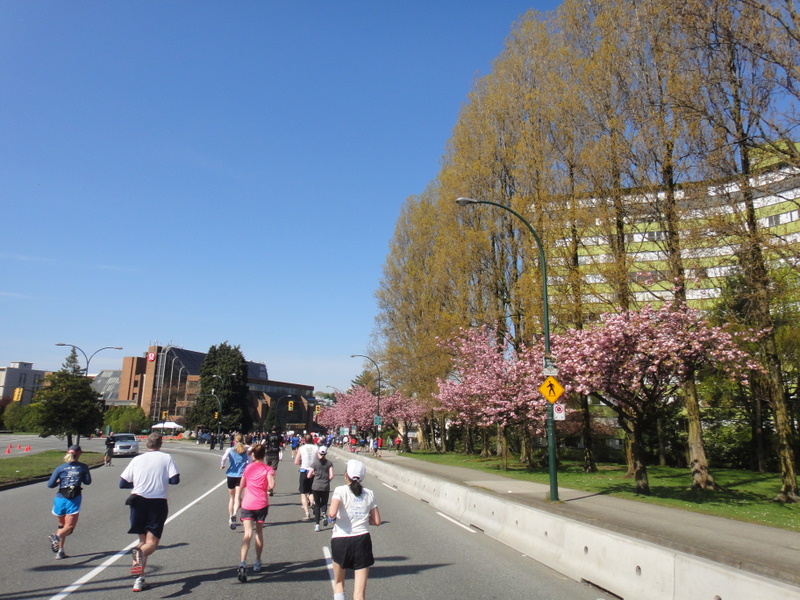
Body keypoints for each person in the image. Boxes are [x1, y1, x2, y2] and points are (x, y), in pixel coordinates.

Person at [120, 432, 180, 592]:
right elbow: (175, 479)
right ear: (161, 443)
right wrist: (160, 479)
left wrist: (139, 484)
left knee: (142, 540)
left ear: (147, 444)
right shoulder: (166, 458)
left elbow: (122, 482)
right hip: (157, 502)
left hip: (138, 501)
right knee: (151, 543)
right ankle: (138, 555)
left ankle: (139, 580)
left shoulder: (137, 459)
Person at [328, 459, 381, 600]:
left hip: (341, 539)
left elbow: (332, 513)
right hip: (362, 540)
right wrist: (361, 517)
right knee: (359, 593)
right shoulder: (369, 493)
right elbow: (377, 520)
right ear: (362, 477)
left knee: (339, 582)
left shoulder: (340, 490)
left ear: (346, 475)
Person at [236, 443, 275, 582]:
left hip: (248, 503)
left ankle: (242, 562)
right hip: (261, 504)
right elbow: (271, 486)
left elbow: (242, 485)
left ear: (254, 455)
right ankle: (257, 561)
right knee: (259, 532)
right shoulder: (268, 469)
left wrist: (238, 499)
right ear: (264, 455)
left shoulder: (248, 467)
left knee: (247, 534)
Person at [47, 445, 92, 560]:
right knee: (70, 527)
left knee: (61, 525)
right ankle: (56, 537)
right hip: (73, 498)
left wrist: (59, 481)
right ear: (79, 454)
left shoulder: (60, 468)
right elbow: (88, 482)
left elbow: (50, 485)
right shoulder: (83, 467)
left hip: (59, 498)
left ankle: (60, 551)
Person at [220, 433, 250, 529]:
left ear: (234, 440)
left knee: (231, 498)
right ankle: (234, 513)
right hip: (241, 475)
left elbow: (223, 458)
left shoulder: (230, 449)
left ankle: (230, 517)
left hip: (231, 475)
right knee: (238, 497)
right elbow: (249, 462)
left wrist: (222, 465)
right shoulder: (246, 450)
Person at [307, 445, 334, 532]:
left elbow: (308, 475)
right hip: (325, 486)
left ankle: (317, 525)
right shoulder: (329, 463)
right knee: (324, 502)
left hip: (316, 486)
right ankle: (324, 513)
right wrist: (327, 479)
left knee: (317, 505)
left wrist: (314, 474)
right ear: (326, 453)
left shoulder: (315, 463)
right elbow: (332, 475)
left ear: (319, 453)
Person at [294, 434, 317, 519]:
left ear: (304, 440)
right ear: (312, 440)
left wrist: (301, 462)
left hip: (304, 471)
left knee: (303, 493)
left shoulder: (301, 448)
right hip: (313, 471)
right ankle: (313, 502)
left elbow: (296, 462)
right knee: (311, 491)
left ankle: (307, 513)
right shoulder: (316, 448)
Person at [264, 426, 283, 495]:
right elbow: (283, 443)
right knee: (273, 471)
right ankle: (271, 488)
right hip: (275, 454)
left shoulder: (268, 435)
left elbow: (263, 442)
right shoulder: (279, 436)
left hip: (268, 453)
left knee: (267, 470)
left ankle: (267, 485)